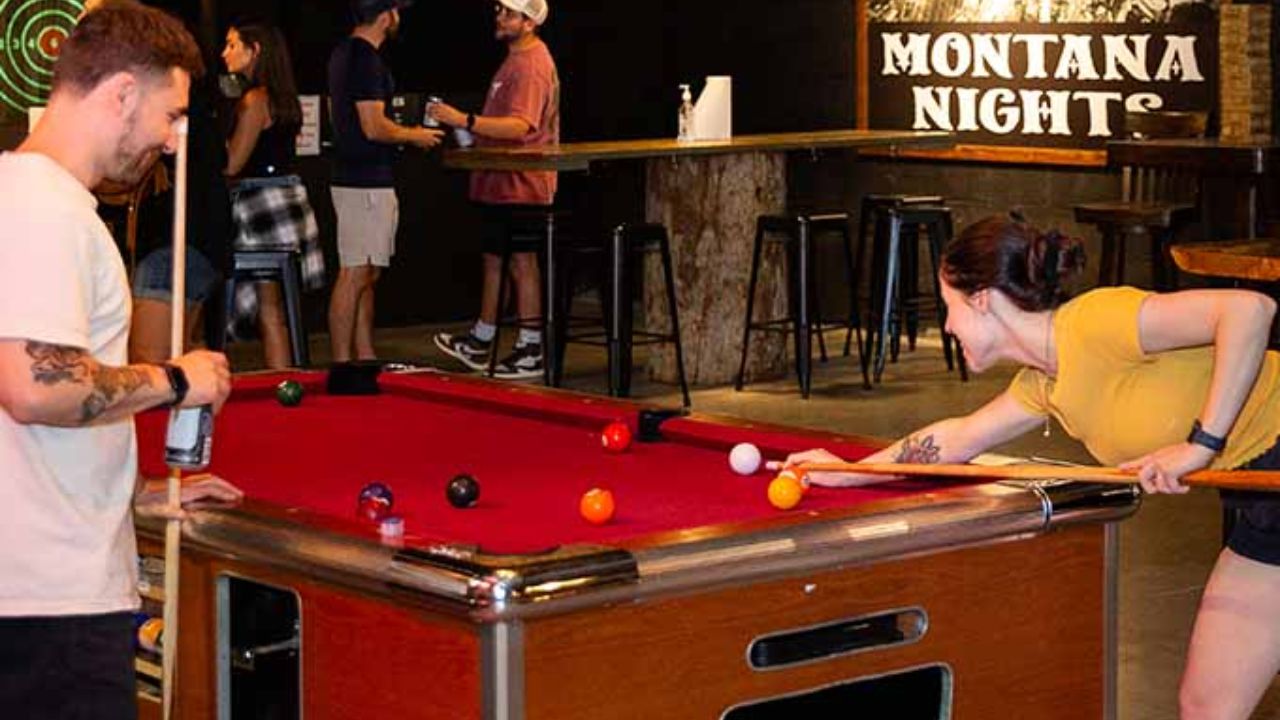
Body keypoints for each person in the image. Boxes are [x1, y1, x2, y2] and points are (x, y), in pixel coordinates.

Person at [785, 214, 1280, 720]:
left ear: (981, 299)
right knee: (1208, 706)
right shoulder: (1045, 383)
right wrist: (851, 471)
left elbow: (1248, 309)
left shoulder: (1094, 322)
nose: (948, 324)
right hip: (1265, 503)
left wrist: (1201, 445)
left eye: (950, 307)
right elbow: (956, 438)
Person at [0, 2, 242, 717]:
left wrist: (127, 491)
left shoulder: (16, 194)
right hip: (50, 608)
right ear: (123, 95)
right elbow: (35, 387)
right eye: (170, 115)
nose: (171, 142)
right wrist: (176, 380)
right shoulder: (47, 210)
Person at [430, 0, 560, 380]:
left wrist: (464, 119)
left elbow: (521, 125)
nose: (499, 17)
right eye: (498, 10)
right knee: (495, 259)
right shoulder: (515, 60)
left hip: (522, 182)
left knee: (521, 262)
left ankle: (531, 346)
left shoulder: (532, 64)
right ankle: (482, 338)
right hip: (500, 181)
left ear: (529, 21)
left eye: (508, 12)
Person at [327, 0, 442, 363]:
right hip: (364, 182)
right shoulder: (364, 59)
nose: (399, 18)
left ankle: (363, 355)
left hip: (359, 177)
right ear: (385, 15)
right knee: (356, 271)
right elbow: (373, 126)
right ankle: (344, 363)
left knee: (367, 271)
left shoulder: (346, 54)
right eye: (396, 10)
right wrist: (415, 135)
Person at [221, 21, 323, 369]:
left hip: (263, 204)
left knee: (270, 309)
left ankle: (282, 380)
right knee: (280, 306)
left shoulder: (256, 98)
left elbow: (233, 162)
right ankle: (288, 378)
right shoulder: (283, 97)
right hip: (289, 199)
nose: (224, 53)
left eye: (232, 44)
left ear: (255, 50)